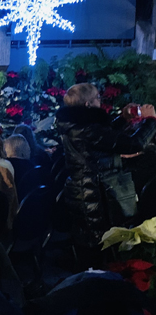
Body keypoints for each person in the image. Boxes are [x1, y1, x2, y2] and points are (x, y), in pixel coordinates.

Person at [56, 83, 156, 261]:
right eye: (97, 98)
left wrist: (123, 118)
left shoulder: (77, 125)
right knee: (104, 248)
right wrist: (151, 121)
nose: (100, 101)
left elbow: (105, 136)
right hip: (96, 195)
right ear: (88, 104)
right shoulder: (88, 129)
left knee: (96, 246)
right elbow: (134, 144)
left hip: (87, 191)